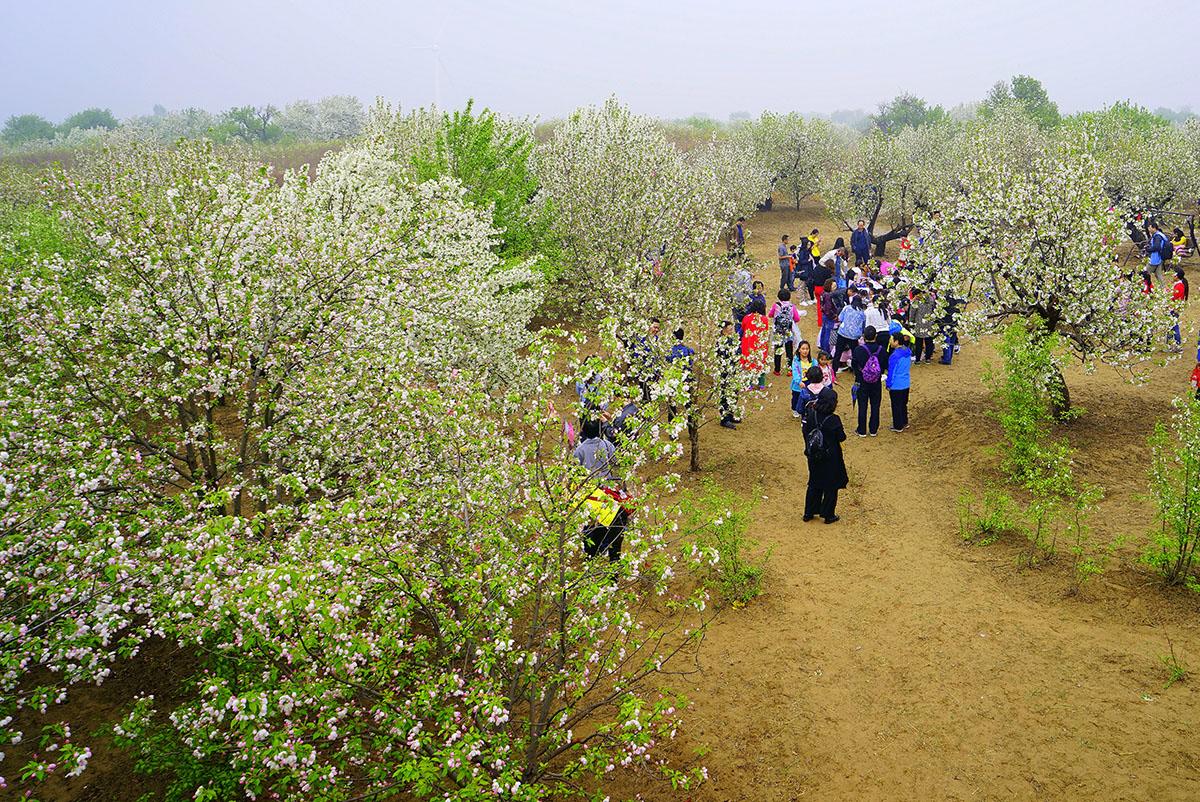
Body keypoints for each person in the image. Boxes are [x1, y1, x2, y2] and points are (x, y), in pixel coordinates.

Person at [801, 386, 848, 524]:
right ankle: (828, 515)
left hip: (813, 454)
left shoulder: (811, 414)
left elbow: (805, 432)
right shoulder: (834, 420)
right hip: (830, 456)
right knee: (831, 486)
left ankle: (809, 512)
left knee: (814, 482)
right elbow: (841, 437)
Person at [851, 326, 887, 437]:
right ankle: (873, 430)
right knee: (875, 405)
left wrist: (859, 374)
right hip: (876, 382)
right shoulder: (882, 350)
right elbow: (884, 365)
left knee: (862, 405)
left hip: (862, 381)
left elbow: (854, 365)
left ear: (864, 336)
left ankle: (861, 430)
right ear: (875, 336)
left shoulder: (858, 350)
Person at [769, 289, 803, 375]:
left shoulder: (776, 305)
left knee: (778, 350)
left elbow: (770, 314)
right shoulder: (792, 306)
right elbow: (797, 318)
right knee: (789, 351)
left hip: (778, 331)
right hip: (788, 331)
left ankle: (777, 370)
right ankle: (789, 370)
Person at [740, 297, 770, 390]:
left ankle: (749, 384)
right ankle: (761, 383)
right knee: (761, 361)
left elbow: (743, 328)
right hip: (760, 344)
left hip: (748, 343)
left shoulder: (746, 318)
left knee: (748, 362)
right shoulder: (764, 319)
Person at [832, 295, 866, 374]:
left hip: (843, 333)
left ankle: (834, 370)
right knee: (854, 354)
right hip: (854, 336)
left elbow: (840, 318)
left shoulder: (847, 308)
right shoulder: (862, 313)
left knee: (838, 352)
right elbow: (863, 326)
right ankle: (855, 370)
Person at [716, 321, 741, 429]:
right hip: (725, 372)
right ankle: (724, 419)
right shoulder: (721, 342)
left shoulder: (732, 339)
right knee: (725, 395)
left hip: (733, 370)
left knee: (734, 393)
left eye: (732, 329)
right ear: (723, 330)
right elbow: (721, 356)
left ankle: (730, 415)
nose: (732, 331)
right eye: (729, 329)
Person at [667, 327, 696, 419]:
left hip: (674, 379)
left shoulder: (671, 351)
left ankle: (672, 429)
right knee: (688, 404)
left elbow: (667, 360)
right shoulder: (688, 349)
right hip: (686, 379)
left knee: (672, 405)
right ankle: (691, 428)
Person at [886, 333, 913, 432]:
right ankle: (904, 422)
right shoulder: (907, 351)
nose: (890, 341)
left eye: (892, 339)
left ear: (896, 342)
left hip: (896, 385)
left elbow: (891, 372)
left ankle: (898, 426)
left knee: (896, 405)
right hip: (906, 382)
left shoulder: (894, 356)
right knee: (903, 404)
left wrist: (888, 384)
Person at [790, 340, 817, 417]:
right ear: (799, 350)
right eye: (803, 349)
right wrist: (799, 382)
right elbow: (795, 372)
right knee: (796, 397)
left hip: (809, 382)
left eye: (807, 349)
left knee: (808, 397)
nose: (805, 351)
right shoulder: (796, 361)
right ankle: (795, 409)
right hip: (798, 384)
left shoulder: (813, 361)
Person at [908, 289, 936, 364]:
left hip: (919, 323)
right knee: (929, 342)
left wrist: (911, 322)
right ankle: (928, 358)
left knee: (919, 343)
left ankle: (918, 359)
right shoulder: (931, 299)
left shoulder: (916, 301)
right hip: (929, 323)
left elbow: (912, 314)